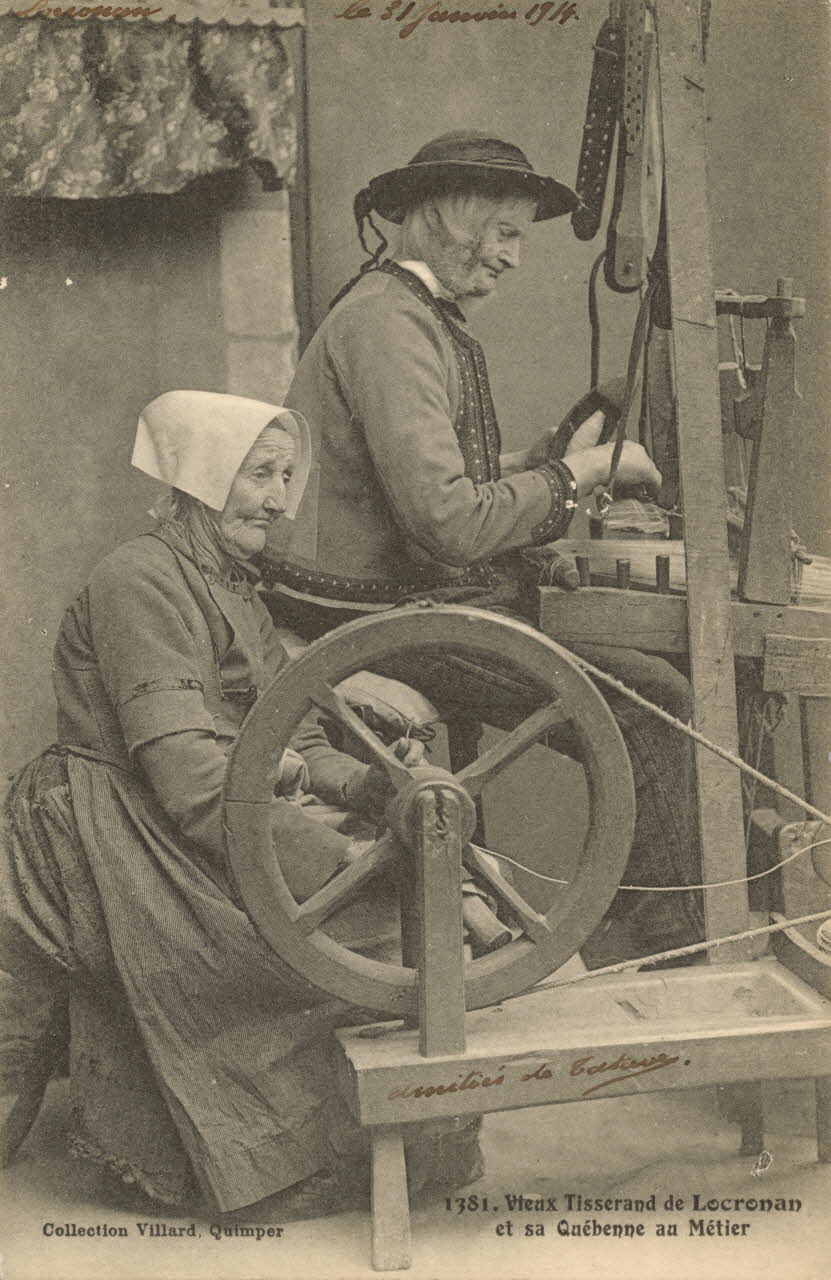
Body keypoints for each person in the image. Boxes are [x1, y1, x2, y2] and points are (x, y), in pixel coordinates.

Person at [0, 390, 479, 1221]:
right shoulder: (140, 581)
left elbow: (291, 734)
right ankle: (259, 1160)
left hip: (186, 807)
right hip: (110, 822)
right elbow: (189, 775)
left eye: (285, 476)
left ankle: (359, 1140)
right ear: (202, 476)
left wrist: (369, 788)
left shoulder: (232, 588)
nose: (276, 498)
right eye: (258, 474)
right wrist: (351, 865)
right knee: (269, 956)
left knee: (375, 927)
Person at [261, 131, 705, 968]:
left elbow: (428, 481)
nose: (510, 259)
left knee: (646, 671)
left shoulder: (405, 311)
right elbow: (448, 523)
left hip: (396, 592)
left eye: (518, 239)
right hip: (374, 611)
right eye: (501, 233)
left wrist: (544, 460)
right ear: (445, 221)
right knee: (651, 700)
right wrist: (572, 478)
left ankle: (648, 922)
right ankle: (670, 945)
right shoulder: (390, 325)